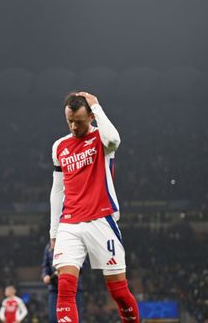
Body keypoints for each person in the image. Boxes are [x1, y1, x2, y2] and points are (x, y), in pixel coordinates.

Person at [49, 91, 140, 322]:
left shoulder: (101, 138)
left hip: (101, 221)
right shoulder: (59, 146)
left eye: (78, 122)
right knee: (65, 289)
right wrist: (54, 231)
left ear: (90, 118)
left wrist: (97, 107)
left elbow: (114, 140)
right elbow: (57, 190)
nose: (73, 126)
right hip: (69, 224)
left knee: (119, 293)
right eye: (69, 120)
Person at [41, 242, 82, 323]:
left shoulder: (74, 242)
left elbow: (82, 265)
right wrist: (45, 275)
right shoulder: (49, 246)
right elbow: (45, 265)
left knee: (75, 317)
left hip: (72, 287)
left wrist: (66, 271)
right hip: (54, 288)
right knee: (53, 318)